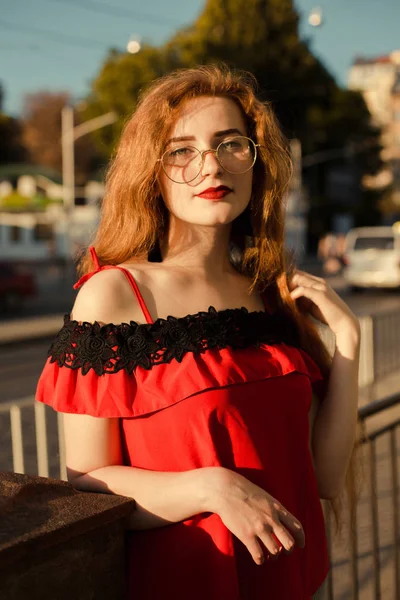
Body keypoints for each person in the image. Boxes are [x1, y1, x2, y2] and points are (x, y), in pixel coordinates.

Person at [36, 65, 360, 600]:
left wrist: (347, 344)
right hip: (189, 580)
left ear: (256, 163)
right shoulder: (114, 295)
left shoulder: (268, 295)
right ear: (151, 173)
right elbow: (88, 482)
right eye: (181, 150)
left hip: (293, 583)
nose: (211, 165)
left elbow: (323, 476)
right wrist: (210, 486)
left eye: (230, 144)